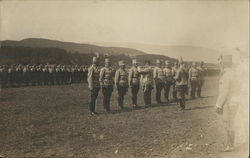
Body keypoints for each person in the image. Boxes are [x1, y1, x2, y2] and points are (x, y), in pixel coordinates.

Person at [216, 54, 248, 152]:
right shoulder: (234, 73)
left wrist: (218, 104)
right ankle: (231, 144)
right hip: (235, 101)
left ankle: (230, 145)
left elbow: (224, 91)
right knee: (231, 122)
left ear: (224, 63)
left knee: (227, 123)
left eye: (220, 62)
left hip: (228, 102)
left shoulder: (226, 74)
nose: (219, 64)